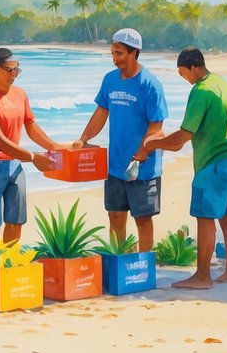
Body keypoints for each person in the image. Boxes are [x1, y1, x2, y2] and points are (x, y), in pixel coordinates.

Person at [142, 47, 227, 289]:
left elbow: (180, 139)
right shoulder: (219, 82)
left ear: (194, 67)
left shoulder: (200, 91)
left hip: (218, 159)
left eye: (183, 74)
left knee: (204, 214)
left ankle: (203, 276)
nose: (184, 79)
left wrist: (150, 146)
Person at [71, 28, 167, 252]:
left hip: (142, 167)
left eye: (120, 53)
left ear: (134, 53)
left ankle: (143, 263)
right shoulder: (110, 80)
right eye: (113, 53)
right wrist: (84, 138)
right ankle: (120, 261)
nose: (115, 59)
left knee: (142, 219)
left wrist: (143, 152)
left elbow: (157, 126)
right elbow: (101, 112)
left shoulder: (150, 85)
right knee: (115, 215)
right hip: (115, 165)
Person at [0, 48, 67, 244]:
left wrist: (55, 147)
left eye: (17, 70)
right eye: (9, 70)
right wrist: (32, 157)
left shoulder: (20, 94)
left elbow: (30, 126)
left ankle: (9, 265)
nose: (14, 75)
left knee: (16, 221)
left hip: (15, 165)